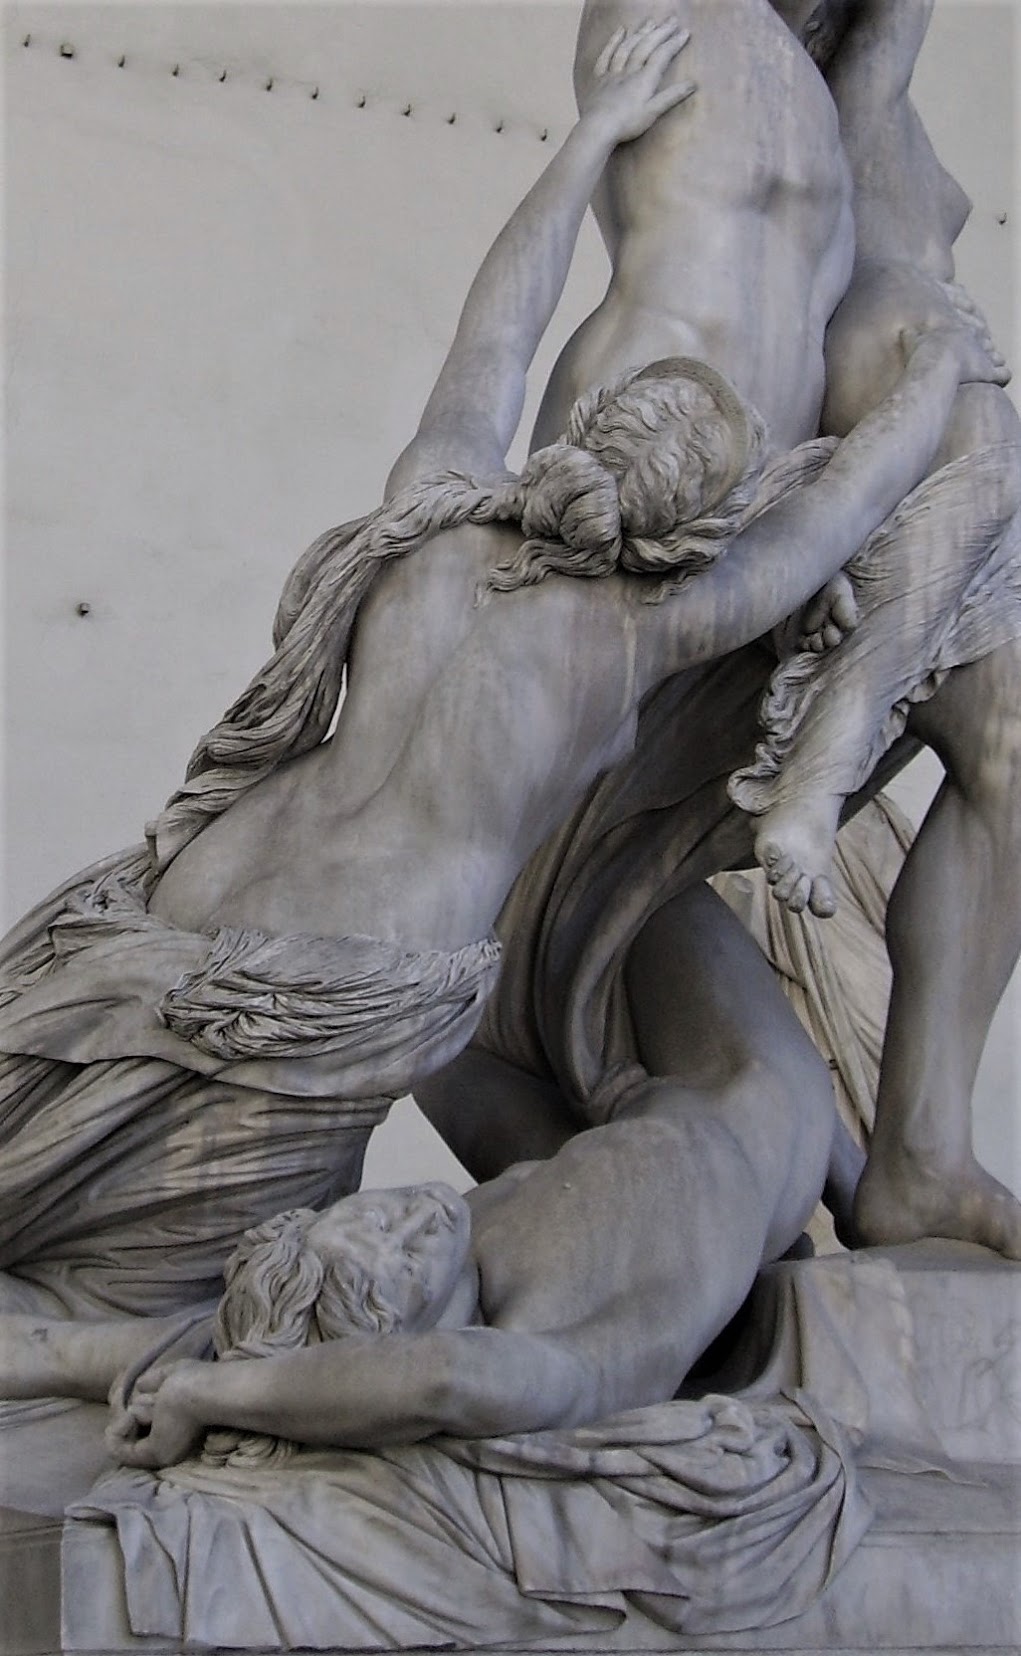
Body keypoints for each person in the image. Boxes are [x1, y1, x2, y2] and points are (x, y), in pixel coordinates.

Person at [0, 12, 1003, 1335]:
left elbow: (500, 329)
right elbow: (839, 508)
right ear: (697, 531)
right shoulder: (651, 622)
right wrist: (932, 386)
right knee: (147, 1312)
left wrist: (590, 140)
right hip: (338, 989)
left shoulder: (437, 512)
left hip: (177, 905)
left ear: (583, 428)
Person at [422, 0, 1019, 1261]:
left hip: (813, 462)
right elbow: (491, 363)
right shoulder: (690, 35)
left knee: (1008, 747)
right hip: (720, 470)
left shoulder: (839, 100)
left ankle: (919, 1154)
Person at [4, 881, 837, 1461]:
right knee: (621, 853)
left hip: (573, 1156)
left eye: (374, 1216)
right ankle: (878, 1177)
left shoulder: (451, 1247)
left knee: (427, 1000)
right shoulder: (553, 1345)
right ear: (402, 1336)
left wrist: (73, 1359)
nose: (413, 1217)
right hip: (752, 1101)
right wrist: (207, 1397)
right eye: (406, 1256)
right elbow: (439, 1380)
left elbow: (79, 1350)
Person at [725, 0, 1021, 1255]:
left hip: (912, 369)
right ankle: (829, 748)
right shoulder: (832, 81)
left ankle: (923, 1154)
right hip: (891, 363)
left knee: (1010, 757)